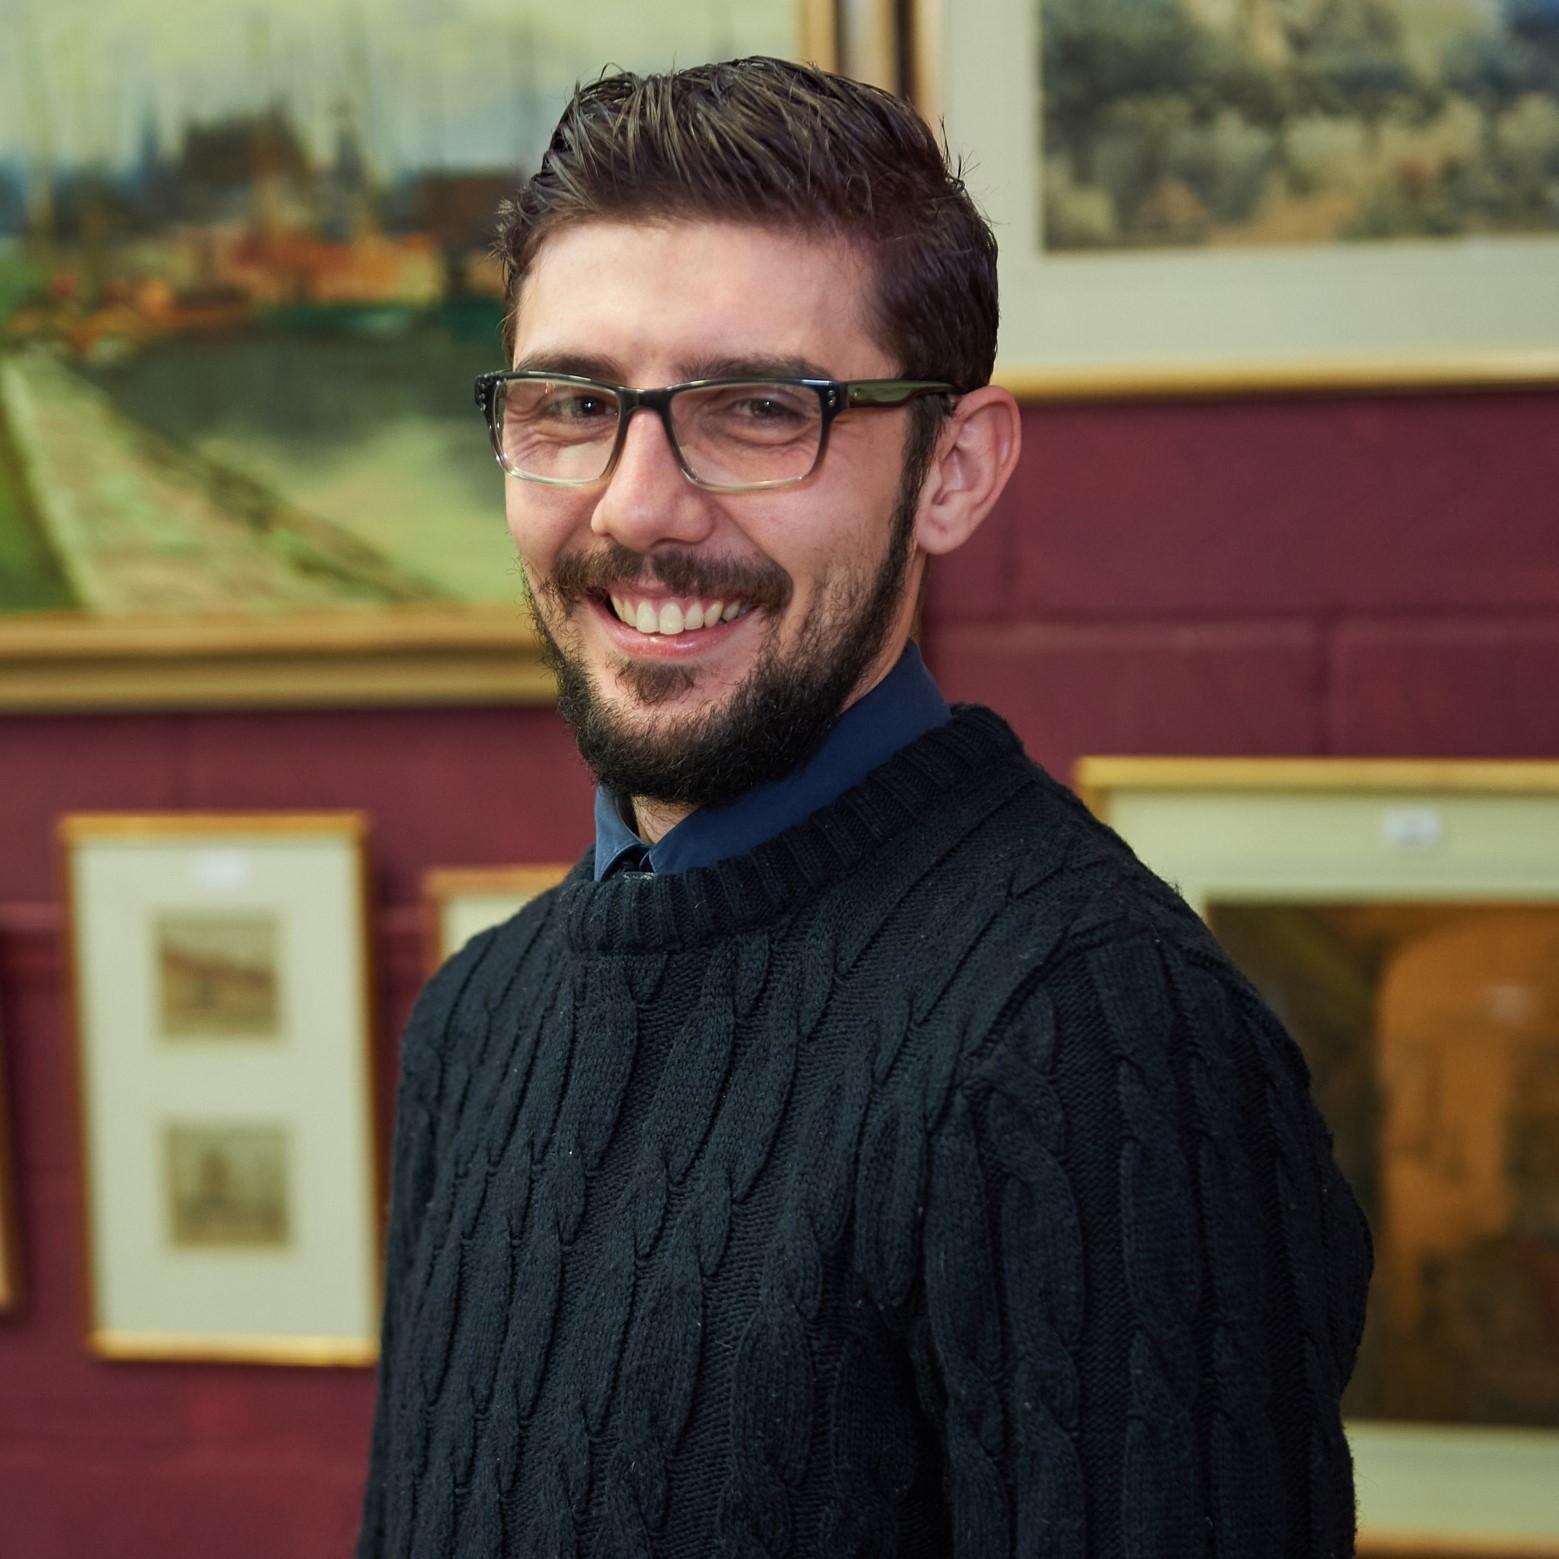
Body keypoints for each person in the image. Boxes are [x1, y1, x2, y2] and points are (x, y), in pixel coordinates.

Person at [357, 57, 1371, 1559]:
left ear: (953, 472)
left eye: (761, 410)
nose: (637, 506)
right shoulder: (477, 1020)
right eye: (573, 404)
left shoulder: (1092, 1042)